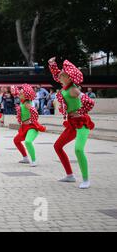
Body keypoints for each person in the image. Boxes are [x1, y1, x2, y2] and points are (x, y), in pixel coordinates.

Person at [48, 57, 95, 189]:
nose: (59, 76)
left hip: (82, 123)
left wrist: (81, 111)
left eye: (62, 75)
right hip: (72, 123)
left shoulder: (73, 90)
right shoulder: (65, 85)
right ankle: (70, 175)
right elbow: (56, 74)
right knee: (58, 146)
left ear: (68, 78)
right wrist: (52, 64)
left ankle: (86, 179)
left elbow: (90, 102)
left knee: (78, 149)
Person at [11, 85, 46, 167]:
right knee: (16, 140)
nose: (19, 94)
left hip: (31, 127)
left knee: (28, 142)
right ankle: (25, 158)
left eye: (21, 93)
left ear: (26, 95)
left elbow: (34, 111)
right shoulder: (23, 101)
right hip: (24, 127)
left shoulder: (27, 103)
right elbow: (16, 93)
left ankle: (34, 160)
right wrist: (14, 89)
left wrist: (32, 120)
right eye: (20, 92)